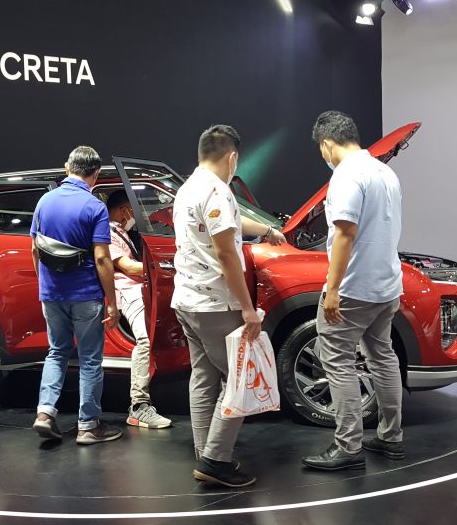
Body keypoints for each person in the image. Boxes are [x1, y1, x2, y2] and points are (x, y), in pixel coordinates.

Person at [172, 124, 285, 488]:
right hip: (216, 304)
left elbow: (229, 224)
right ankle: (216, 460)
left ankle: (205, 453)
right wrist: (248, 309)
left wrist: (265, 230)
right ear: (233, 157)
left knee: (203, 378)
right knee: (240, 379)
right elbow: (226, 253)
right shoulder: (217, 191)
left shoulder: (188, 188)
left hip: (187, 300)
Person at [301, 111, 405, 472]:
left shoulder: (346, 175)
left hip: (354, 287)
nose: (323, 155)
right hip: (387, 284)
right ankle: (391, 437)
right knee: (382, 356)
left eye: (321, 149)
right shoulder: (384, 172)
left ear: (328, 143)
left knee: (337, 360)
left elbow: (345, 233)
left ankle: (348, 446)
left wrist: (332, 289)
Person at [30, 146, 122, 445]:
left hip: (52, 294)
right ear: (96, 174)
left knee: (56, 352)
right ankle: (88, 426)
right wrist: (112, 302)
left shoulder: (45, 201)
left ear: (67, 168)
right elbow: (102, 258)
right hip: (85, 295)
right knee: (90, 359)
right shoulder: (95, 206)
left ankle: (45, 413)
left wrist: (44, 287)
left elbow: (35, 249)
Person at [104, 189, 172, 429]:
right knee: (145, 340)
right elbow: (128, 267)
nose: (137, 216)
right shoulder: (107, 233)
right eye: (134, 211)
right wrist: (167, 266)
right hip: (128, 291)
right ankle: (139, 406)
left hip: (140, 289)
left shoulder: (122, 232)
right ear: (125, 211)